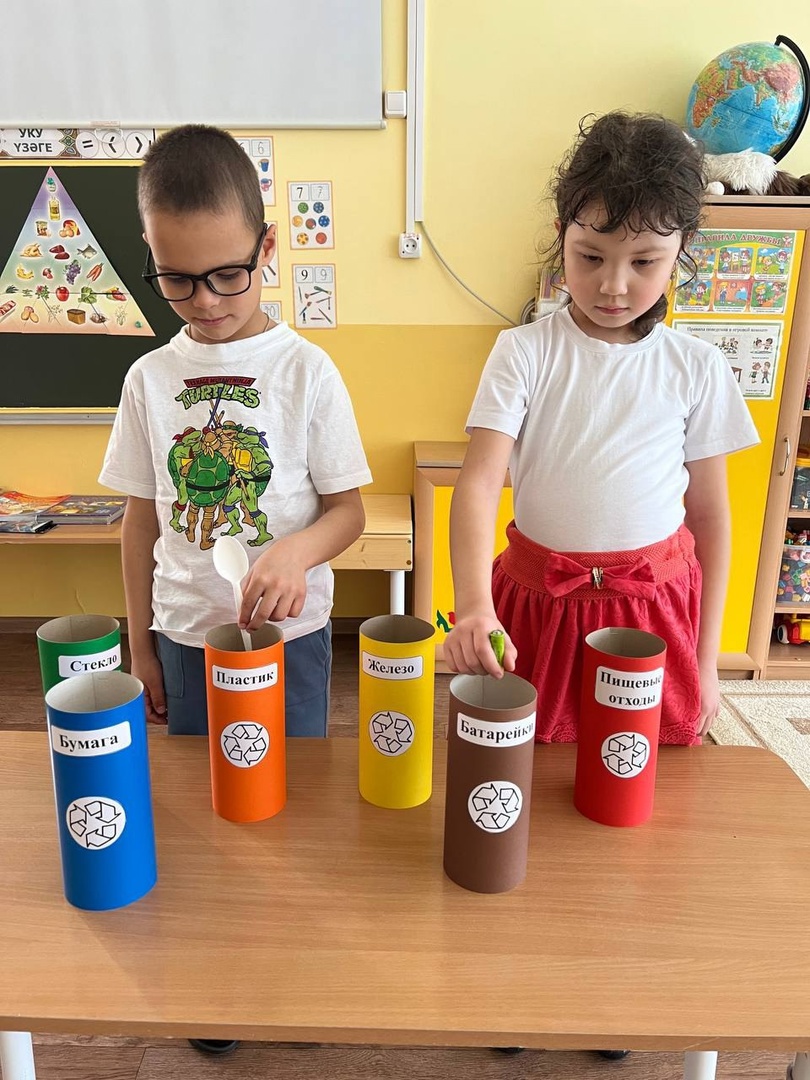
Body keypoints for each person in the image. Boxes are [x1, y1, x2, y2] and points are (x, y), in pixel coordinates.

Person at [444, 112, 759, 745]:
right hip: (538, 600)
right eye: (590, 257)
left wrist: (707, 660)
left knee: (638, 765)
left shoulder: (695, 366)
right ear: (561, 236)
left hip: (654, 604)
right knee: (525, 759)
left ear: (681, 252)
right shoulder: (523, 351)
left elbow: (710, 517)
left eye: (644, 262)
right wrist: (474, 605)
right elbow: (477, 485)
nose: (613, 285)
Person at [99, 125, 371, 741]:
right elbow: (141, 522)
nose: (205, 301)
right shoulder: (148, 378)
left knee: (296, 779)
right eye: (176, 278)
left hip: (290, 636)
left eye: (227, 274)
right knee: (198, 782)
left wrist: (296, 552)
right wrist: (139, 646)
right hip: (183, 635)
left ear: (266, 246)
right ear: (151, 251)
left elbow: (348, 512)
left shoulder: (307, 370)